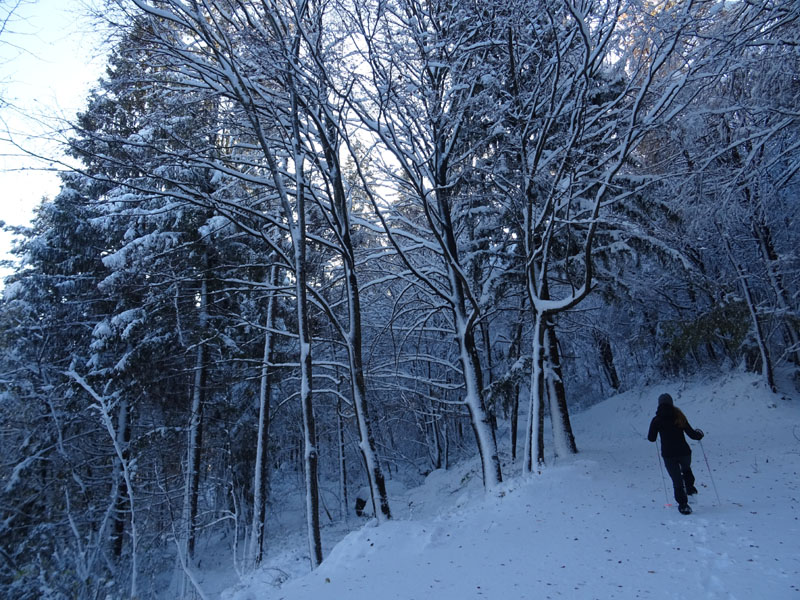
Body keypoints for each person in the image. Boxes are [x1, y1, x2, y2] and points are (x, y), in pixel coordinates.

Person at [647, 393, 704, 515]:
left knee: (676, 480)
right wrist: (699, 434)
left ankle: (683, 505)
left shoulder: (657, 420)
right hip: (684, 452)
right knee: (687, 469)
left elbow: (651, 438)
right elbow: (691, 434)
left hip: (669, 454)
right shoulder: (679, 416)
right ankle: (690, 488)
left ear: (659, 404)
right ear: (671, 403)